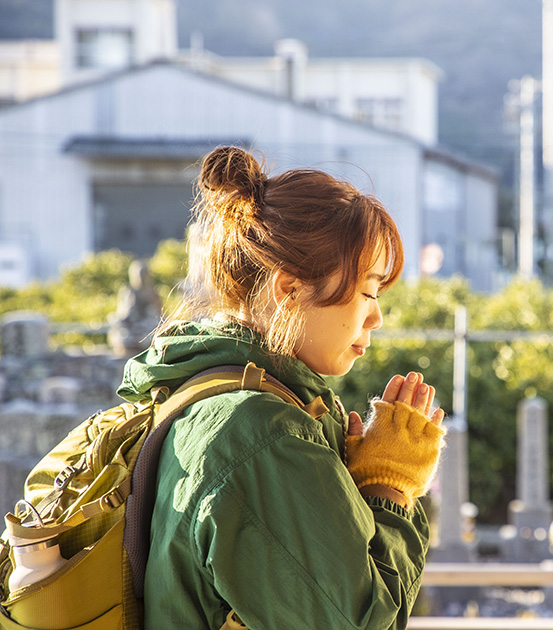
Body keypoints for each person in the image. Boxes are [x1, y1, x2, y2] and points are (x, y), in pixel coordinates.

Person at [116, 146, 447, 629]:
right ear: (290, 289)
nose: (376, 316)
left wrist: (345, 492)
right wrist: (390, 488)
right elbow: (360, 621)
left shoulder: (206, 391)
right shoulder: (261, 435)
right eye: (369, 291)